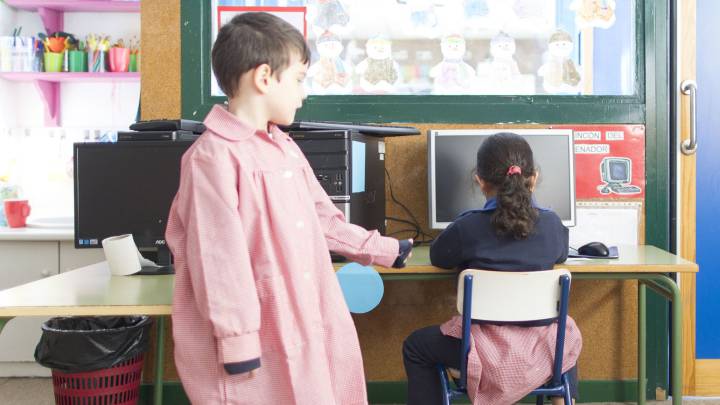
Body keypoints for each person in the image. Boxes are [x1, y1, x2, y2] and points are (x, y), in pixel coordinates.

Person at [165, 12, 413, 404]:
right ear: (264, 78)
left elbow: (323, 218)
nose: (303, 93)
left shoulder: (284, 148)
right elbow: (218, 264)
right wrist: (237, 343)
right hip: (256, 333)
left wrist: (380, 248)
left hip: (307, 312)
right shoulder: (212, 159)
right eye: (298, 80)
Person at [402, 132, 582, 405]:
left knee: (416, 346)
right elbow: (560, 255)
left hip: (480, 351)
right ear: (532, 178)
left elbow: (439, 257)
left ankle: (466, 373)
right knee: (562, 332)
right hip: (540, 350)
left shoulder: (467, 226)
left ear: (480, 181)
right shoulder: (553, 225)